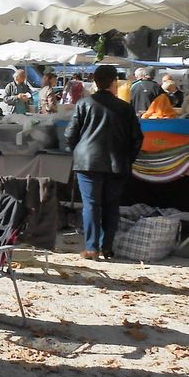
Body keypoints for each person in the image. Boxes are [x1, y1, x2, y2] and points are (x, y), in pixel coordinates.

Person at [64, 64, 143, 260]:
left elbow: (69, 134)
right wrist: (128, 158)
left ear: (96, 82)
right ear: (114, 82)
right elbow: (137, 138)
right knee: (111, 205)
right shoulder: (126, 108)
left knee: (91, 205)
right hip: (117, 163)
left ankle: (91, 248)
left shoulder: (84, 104)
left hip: (87, 162)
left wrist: (78, 151)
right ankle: (106, 247)